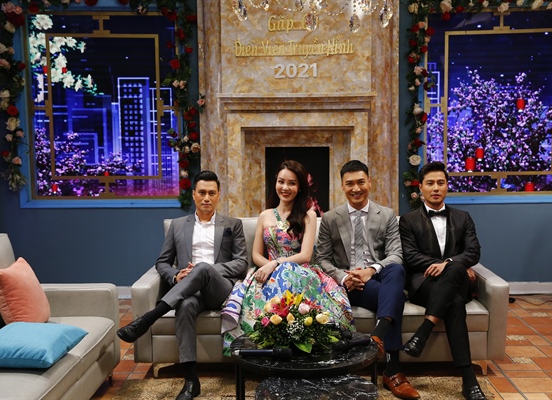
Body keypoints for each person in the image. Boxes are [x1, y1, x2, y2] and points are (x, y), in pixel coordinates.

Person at [117, 170, 248, 400]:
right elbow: (162, 262)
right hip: (190, 292)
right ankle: (191, 380)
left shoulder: (232, 224)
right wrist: (177, 276)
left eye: (212, 193)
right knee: (185, 306)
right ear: (194, 194)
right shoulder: (177, 226)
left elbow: (241, 263)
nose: (206, 198)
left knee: (203, 268)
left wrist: (205, 270)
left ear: (219, 195)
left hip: (220, 289)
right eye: (202, 193)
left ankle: (148, 318)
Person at [221, 160, 354, 354]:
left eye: (292, 183)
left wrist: (276, 264)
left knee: (286, 270)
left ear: (299, 187)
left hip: (300, 271)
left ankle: (292, 341)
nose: (285, 187)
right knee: (275, 276)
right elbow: (256, 254)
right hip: (267, 271)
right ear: (275, 182)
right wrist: (269, 267)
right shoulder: (265, 215)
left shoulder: (308, 215)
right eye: (281, 181)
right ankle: (267, 345)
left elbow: (305, 255)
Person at [315, 160, 420, 400]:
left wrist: (371, 270)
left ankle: (378, 334)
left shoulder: (387, 215)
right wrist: (344, 277)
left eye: (361, 182)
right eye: (350, 183)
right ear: (342, 186)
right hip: (349, 284)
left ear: (370, 182)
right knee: (394, 297)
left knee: (396, 270)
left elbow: (396, 253)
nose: (356, 188)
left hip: (378, 276)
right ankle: (392, 371)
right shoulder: (330, 218)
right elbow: (321, 259)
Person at [398, 161, 486, 400]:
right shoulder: (408, 220)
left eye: (440, 183)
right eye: (430, 183)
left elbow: (474, 252)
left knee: (455, 266)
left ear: (447, 186)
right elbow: (410, 256)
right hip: (424, 284)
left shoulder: (463, 218)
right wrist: (445, 265)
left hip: (457, 281)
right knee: (454, 303)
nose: (435, 188)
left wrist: (447, 264)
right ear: (420, 188)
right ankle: (469, 379)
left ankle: (424, 331)